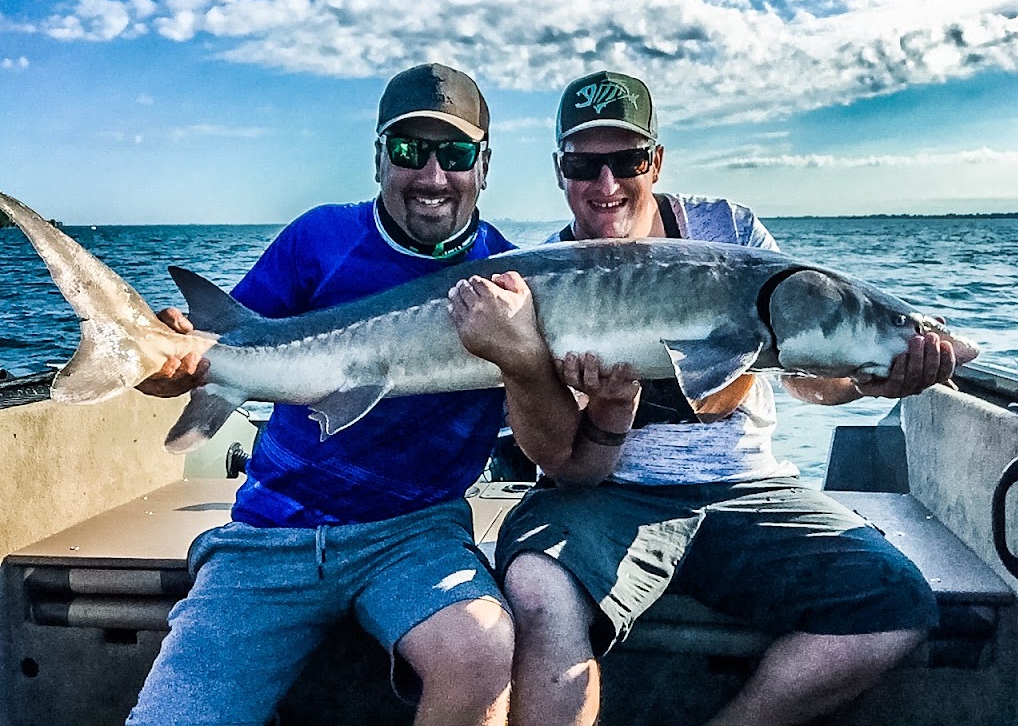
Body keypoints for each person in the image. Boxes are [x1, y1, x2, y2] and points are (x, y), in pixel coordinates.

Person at [489, 71, 956, 726]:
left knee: (897, 605)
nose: (605, 184)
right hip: (605, 497)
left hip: (748, 488)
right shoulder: (539, 276)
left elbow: (805, 374)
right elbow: (558, 457)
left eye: (626, 160)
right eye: (583, 164)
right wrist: (591, 400)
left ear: (656, 159)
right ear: (559, 169)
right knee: (536, 589)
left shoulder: (727, 229)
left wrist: (865, 375)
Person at [127, 63, 569, 726]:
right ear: (378, 158)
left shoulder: (511, 283)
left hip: (416, 537)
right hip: (271, 532)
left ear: (484, 164)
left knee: (481, 650)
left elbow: (556, 450)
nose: (432, 176)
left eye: (454, 154)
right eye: (407, 151)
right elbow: (212, 351)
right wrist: (159, 361)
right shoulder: (319, 240)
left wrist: (528, 360)